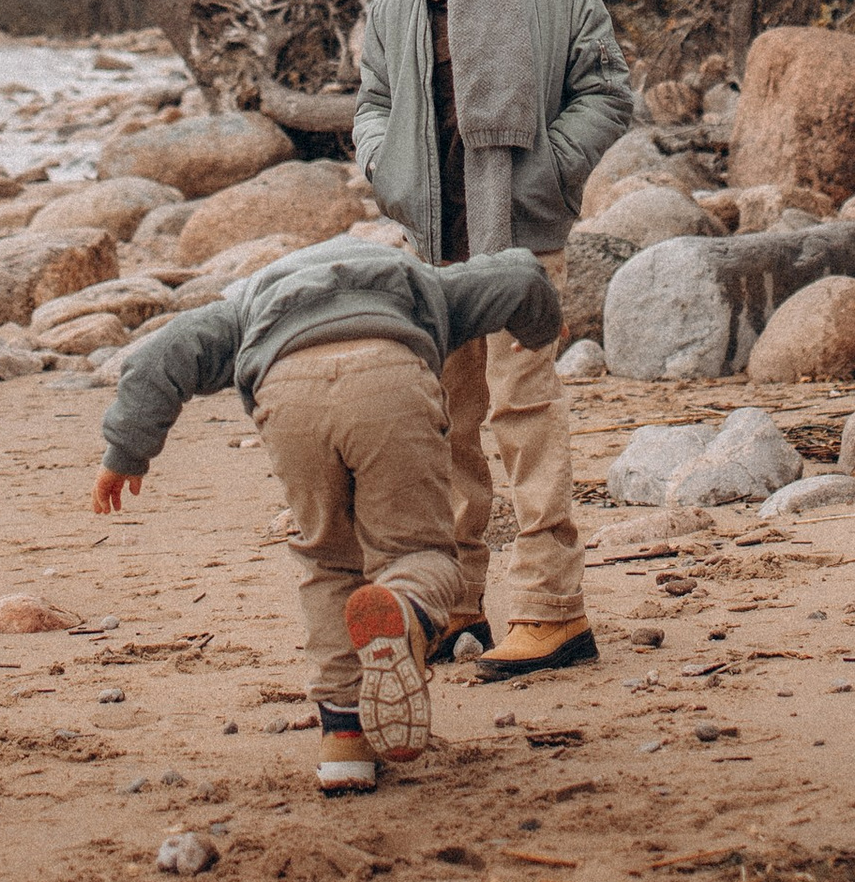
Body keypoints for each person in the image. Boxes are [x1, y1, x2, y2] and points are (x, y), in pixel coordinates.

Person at [90, 232, 564, 790]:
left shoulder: (249, 301)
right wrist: (540, 330)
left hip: (289, 390)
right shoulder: (419, 280)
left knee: (329, 563)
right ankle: (404, 611)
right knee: (417, 553)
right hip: (389, 374)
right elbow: (519, 276)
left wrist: (126, 454)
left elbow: (162, 356)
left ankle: (344, 743)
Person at [353, 0, 634, 683]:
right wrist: (386, 168)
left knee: (524, 414)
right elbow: (372, 103)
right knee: (446, 423)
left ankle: (553, 610)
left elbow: (606, 93)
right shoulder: (396, 3)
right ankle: (454, 606)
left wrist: (547, 172)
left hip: (522, 244)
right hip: (433, 243)